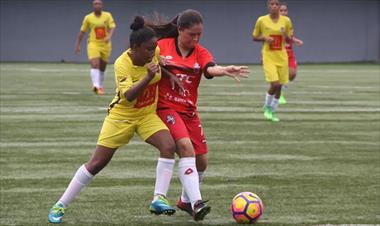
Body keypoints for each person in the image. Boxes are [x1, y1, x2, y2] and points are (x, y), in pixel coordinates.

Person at [48, 16, 180, 224]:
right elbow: (128, 96)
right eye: (148, 49)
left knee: (168, 146)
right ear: (134, 48)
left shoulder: (152, 53)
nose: (153, 51)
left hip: (146, 115)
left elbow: (157, 65)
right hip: (121, 117)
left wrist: (168, 74)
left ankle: (158, 198)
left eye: (154, 48)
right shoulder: (122, 63)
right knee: (97, 163)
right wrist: (147, 77)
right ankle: (60, 204)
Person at [145, 9, 250, 220]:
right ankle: (196, 203)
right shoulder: (162, 46)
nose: (195, 39)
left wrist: (223, 70)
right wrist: (161, 69)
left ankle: (184, 200)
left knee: (201, 162)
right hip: (166, 108)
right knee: (185, 147)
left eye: (199, 35)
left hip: (189, 112)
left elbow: (209, 68)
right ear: (179, 30)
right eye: (191, 34)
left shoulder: (200, 52)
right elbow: (144, 60)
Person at [252, 0, 293, 122]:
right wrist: (264, 37)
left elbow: (289, 40)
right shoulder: (261, 20)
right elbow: (254, 37)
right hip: (268, 56)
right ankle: (267, 107)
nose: (274, 6)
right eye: (272, 4)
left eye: (276, 4)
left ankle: (273, 111)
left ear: (279, 6)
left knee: (280, 85)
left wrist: (284, 33)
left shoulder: (286, 21)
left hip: (281, 56)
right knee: (274, 84)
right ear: (268, 6)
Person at [75, 0, 116, 95]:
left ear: (102, 5)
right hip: (93, 43)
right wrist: (78, 45)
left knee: (102, 67)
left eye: (99, 4)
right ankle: (96, 86)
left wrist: (109, 36)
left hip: (105, 45)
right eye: (95, 4)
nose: (97, 5)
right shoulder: (88, 18)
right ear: (93, 6)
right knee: (95, 64)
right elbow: (82, 31)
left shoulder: (107, 15)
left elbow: (112, 26)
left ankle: (100, 86)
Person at [279, 2, 304, 104]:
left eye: (285, 10)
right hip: (279, 54)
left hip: (289, 53)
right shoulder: (274, 23)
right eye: (281, 10)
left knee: (292, 74)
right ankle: (279, 95)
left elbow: (289, 37)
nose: (283, 12)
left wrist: (295, 40)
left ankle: (283, 87)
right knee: (280, 76)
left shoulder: (288, 23)